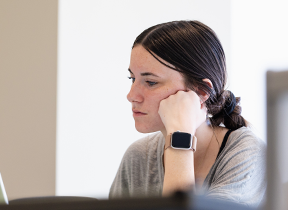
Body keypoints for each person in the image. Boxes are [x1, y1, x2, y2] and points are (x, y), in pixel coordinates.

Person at [109, 20, 266, 207]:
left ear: (201, 92)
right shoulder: (138, 156)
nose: (131, 96)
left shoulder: (247, 153)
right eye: (132, 78)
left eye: (150, 82)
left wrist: (180, 136)